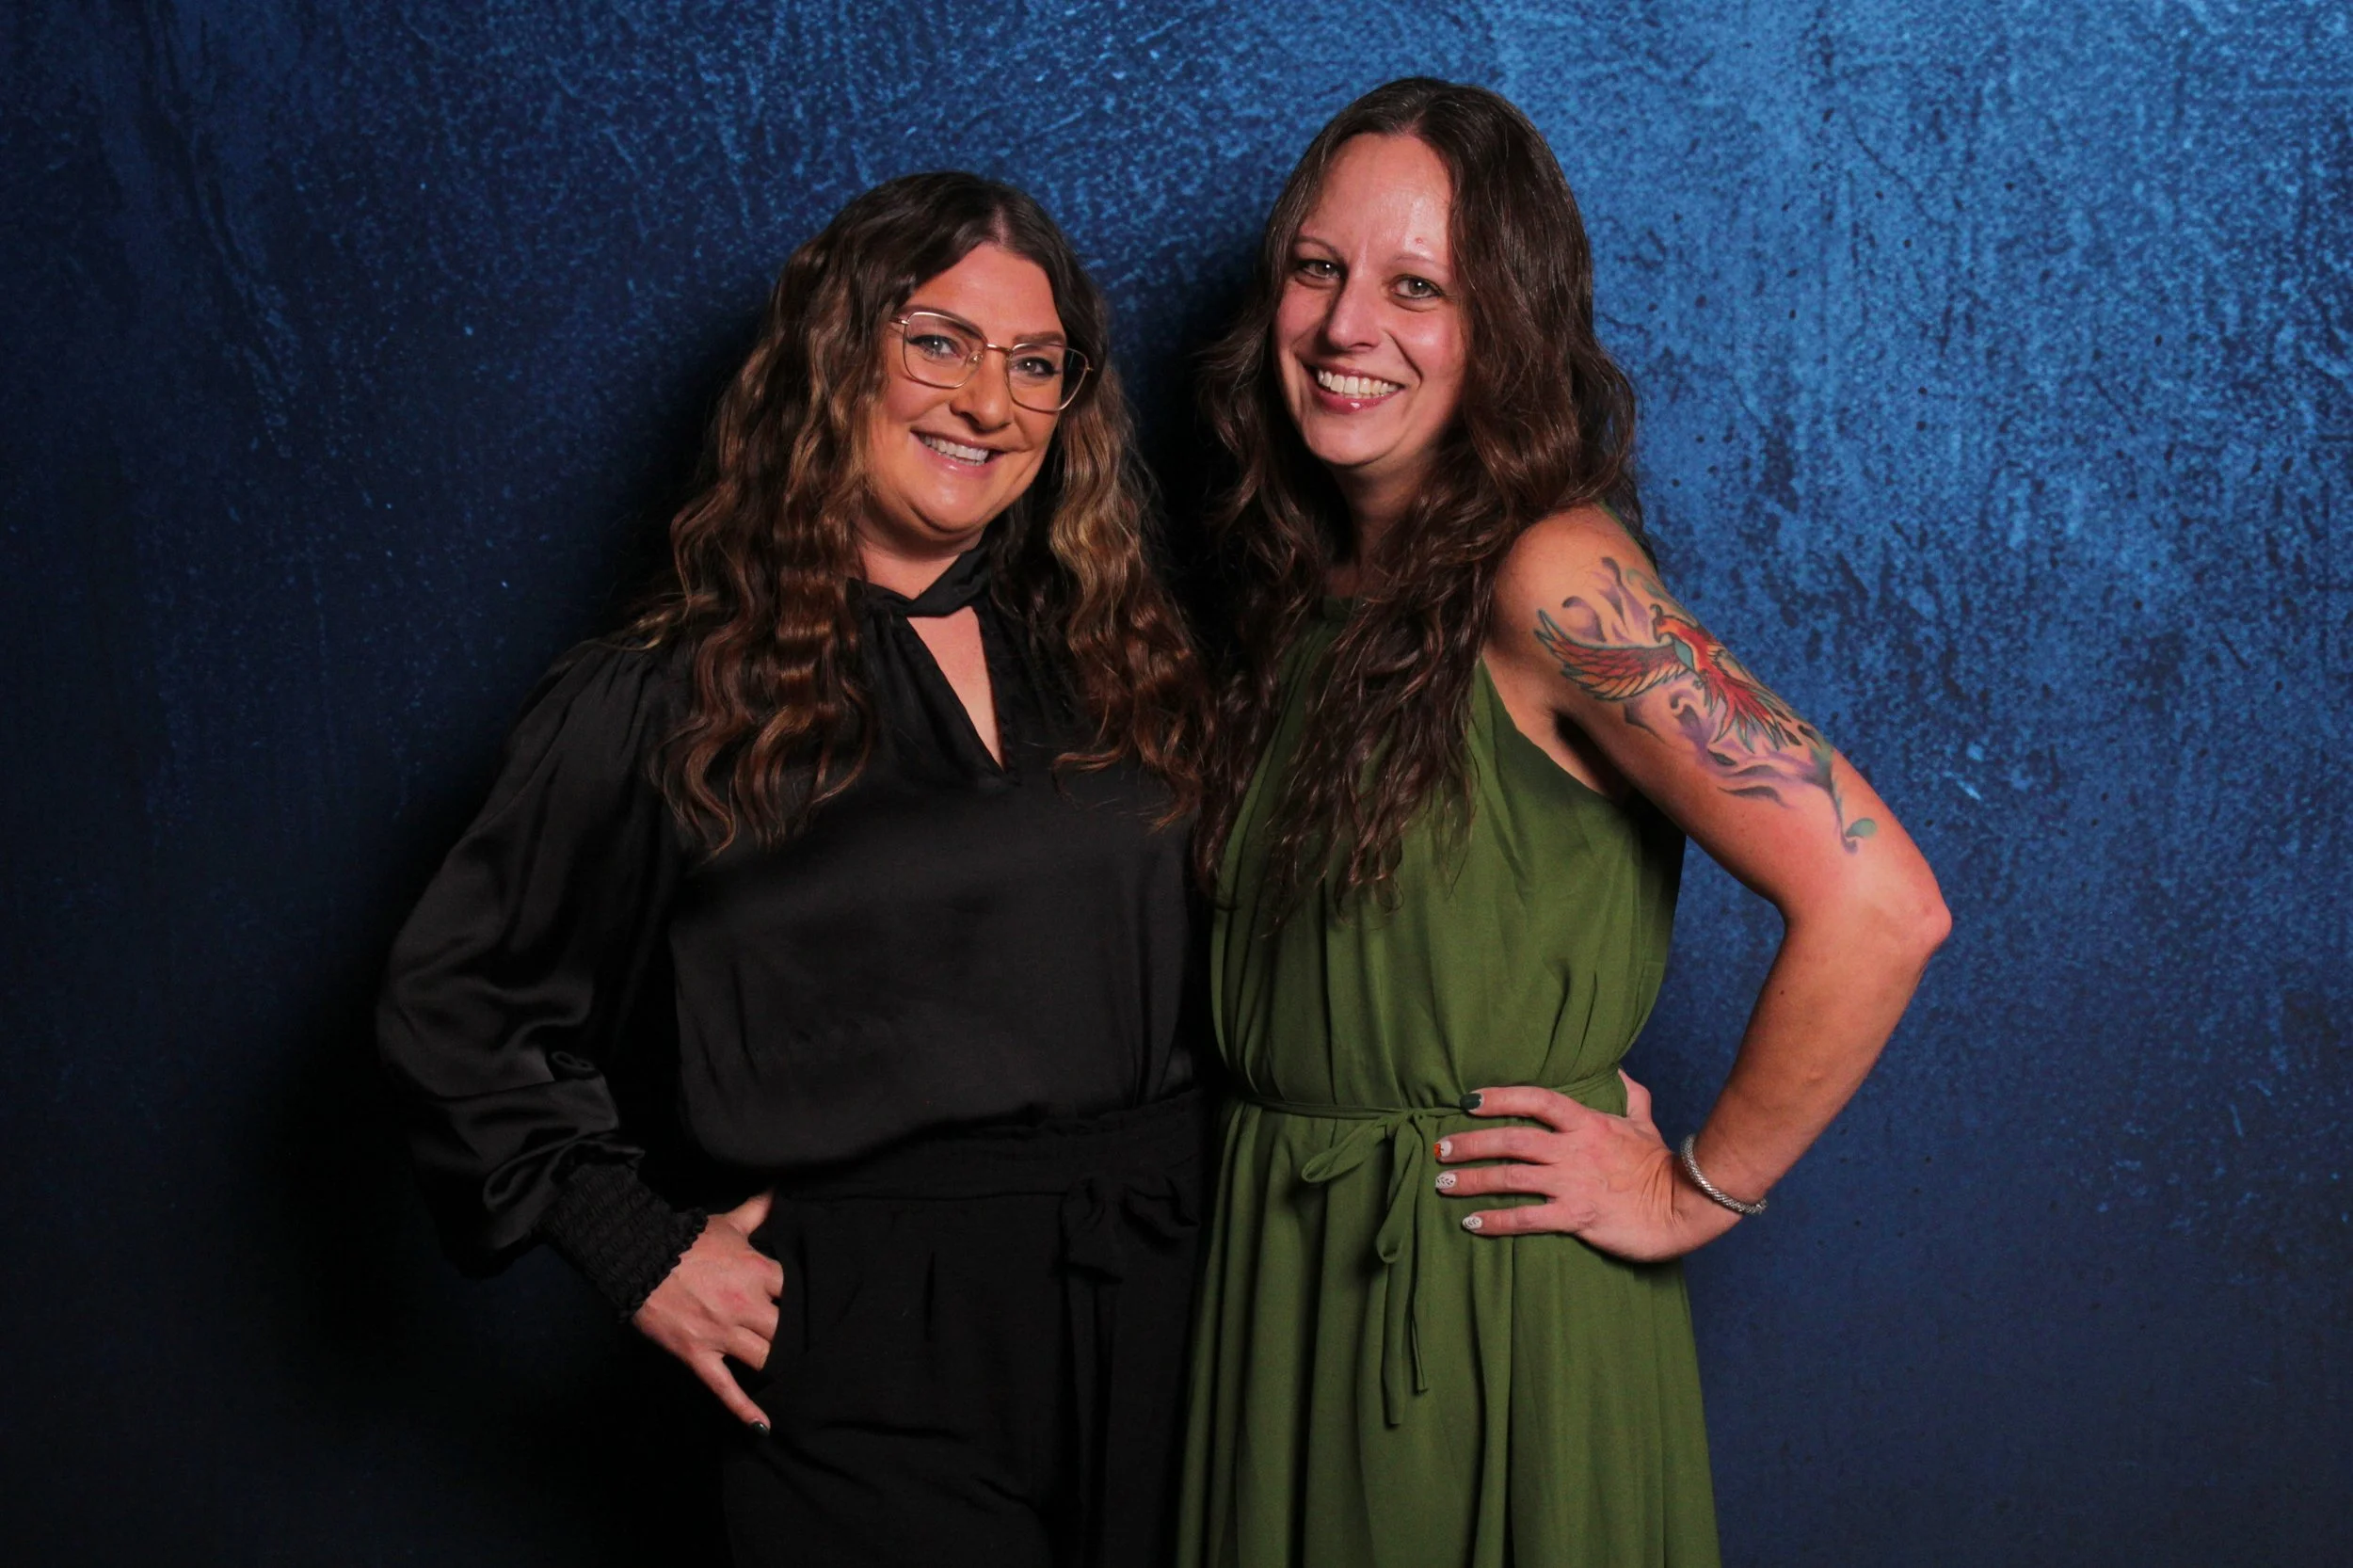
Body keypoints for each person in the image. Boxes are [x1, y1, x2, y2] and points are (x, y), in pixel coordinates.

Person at [377, 171, 1211, 1567]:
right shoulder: (669, 695)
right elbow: (456, 1002)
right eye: (937, 341)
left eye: (1035, 364)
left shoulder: (1125, 665)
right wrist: (632, 1242)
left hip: (1169, 1310)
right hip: (865, 1341)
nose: (987, 403)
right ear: (839, 357)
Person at [1176, 79, 1950, 1567]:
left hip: (1474, 1312)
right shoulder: (1305, 590)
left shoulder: (1552, 577)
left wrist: (1694, 1186)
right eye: (1318, 268)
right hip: (1280, 1285)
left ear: (1508, 323)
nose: (1347, 329)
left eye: (1420, 287)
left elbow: (1883, 904)